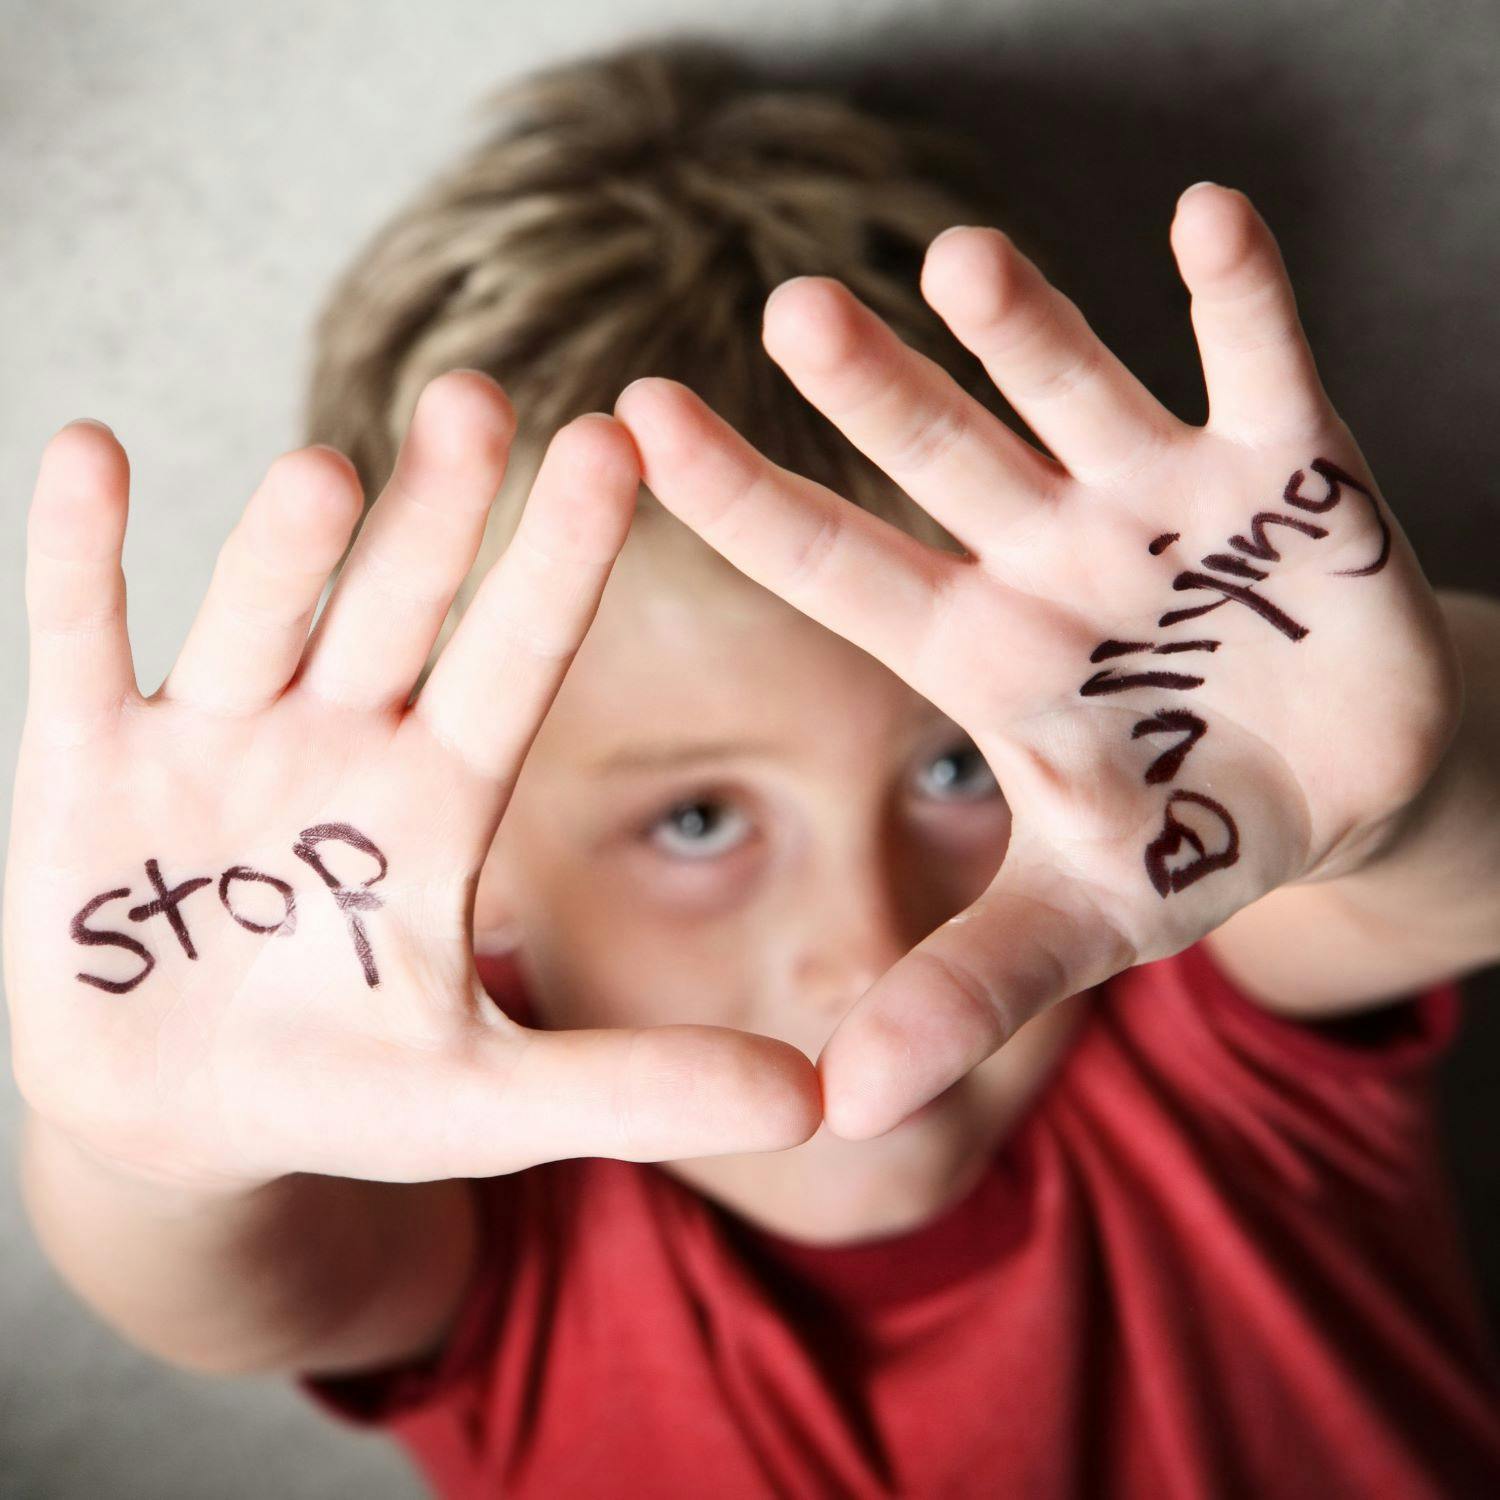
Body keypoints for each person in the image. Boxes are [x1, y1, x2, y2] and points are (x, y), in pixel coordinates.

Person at [10, 39, 1500, 1500]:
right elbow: (247, 1290)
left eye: (957, 772)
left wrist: (1408, 781)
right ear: (477, 866)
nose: (867, 942)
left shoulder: (1199, 1012)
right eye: (698, 818)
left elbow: (1436, 861)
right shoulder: (481, 1193)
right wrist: (141, 1155)